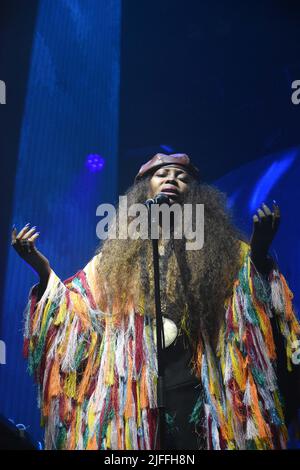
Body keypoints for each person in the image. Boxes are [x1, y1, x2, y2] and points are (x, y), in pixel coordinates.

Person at [12, 153, 300, 450]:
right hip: (138, 398)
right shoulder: (112, 261)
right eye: (162, 174)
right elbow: (78, 308)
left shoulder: (224, 250)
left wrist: (260, 251)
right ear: (143, 191)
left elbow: (250, 306)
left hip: (200, 390)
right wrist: (42, 269)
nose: (173, 179)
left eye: (183, 177)